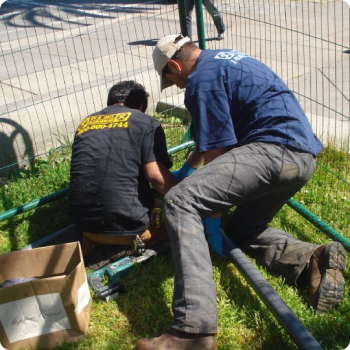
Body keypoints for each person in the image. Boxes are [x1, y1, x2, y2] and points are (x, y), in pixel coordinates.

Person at [135, 35, 347, 349]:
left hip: (270, 152)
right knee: (245, 230)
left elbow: (219, 153)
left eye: (172, 80)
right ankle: (311, 260)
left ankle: (192, 331)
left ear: (175, 65)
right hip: (301, 159)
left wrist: (211, 213)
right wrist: (190, 169)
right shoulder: (227, 60)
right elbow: (214, 137)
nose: (178, 87)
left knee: (181, 201)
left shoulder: (200, 81)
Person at [68, 81, 178, 256]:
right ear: (140, 106)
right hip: (129, 228)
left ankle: (96, 242)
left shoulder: (85, 124)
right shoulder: (146, 122)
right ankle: (133, 242)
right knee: (174, 215)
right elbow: (156, 176)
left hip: (84, 226)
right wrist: (188, 199)